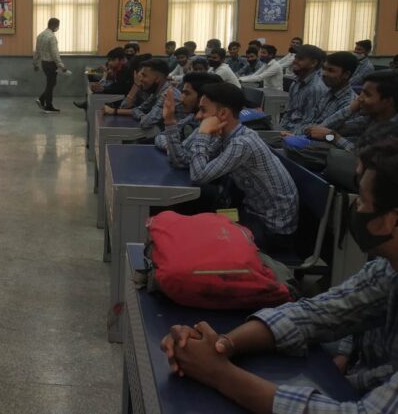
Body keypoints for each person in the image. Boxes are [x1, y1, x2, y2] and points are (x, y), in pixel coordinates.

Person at [159, 134, 398, 414]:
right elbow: (319, 313)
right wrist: (224, 344)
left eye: (362, 203)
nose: (355, 208)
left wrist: (217, 373)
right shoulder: (387, 269)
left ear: (391, 220)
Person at [185, 83, 298, 252]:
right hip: (251, 213)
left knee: (199, 239)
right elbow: (186, 159)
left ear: (223, 113)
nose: (198, 117)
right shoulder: (227, 135)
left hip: (271, 230)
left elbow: (199, 175)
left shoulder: (242, 143)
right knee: (195, 215)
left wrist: (202, 135)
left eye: (203, 110)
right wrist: (170, 122)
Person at [306, 71, 398, 150]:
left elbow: (363, 156)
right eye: (361, 92)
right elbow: (323, 127)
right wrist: (351, 109)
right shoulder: (371, 118)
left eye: (367, 94)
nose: (359, 99)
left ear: (388, 101)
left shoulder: (393, 131)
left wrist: (332, 137)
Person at [156, 72, 223, 168]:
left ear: (203, 97)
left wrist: (169, 121)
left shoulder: (215, 127)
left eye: (186, 93)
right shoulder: (192, 117)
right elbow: (160, 136)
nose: (181, 99)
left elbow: (182, 161)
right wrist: (169, 146)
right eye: (182, 93)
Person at [103, 59, 182, 129]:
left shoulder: (168, 94)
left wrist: (143, 115)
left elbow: (146, 122)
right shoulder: (156, 92)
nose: (140, 79)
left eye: (144, 75)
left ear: (158, 78)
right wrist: (143, 115)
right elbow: (130, 108)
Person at [279, 45, 327, 135]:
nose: (294, 61)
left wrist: (290, 135)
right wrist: (278, 131)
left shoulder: (315, 88)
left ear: (313, 63)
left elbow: (309, 123)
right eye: (295, 58)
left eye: (300, 59)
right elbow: (288, 113)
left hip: (299, 136)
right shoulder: (295, 83)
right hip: (287, 131)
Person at [306, 51, 358, 125]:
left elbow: (328, 133)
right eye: (324, 69)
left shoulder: (349, 103)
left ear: (346, 74)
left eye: (331, 70)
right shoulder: (327, 93)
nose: (324, 74)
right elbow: (311, 120)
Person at [33, 17, 66, 113]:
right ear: (53, 25)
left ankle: (46, 103)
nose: (58, 28)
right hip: (51, 64)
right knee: (51, 84)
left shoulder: (40, 36)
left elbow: (37, 52)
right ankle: (45, 102)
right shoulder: (51, 37)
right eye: (57, 26)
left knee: (50, 84)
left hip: (44, 64)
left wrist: (35, 63)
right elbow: (55, 54)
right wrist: (61, 65)